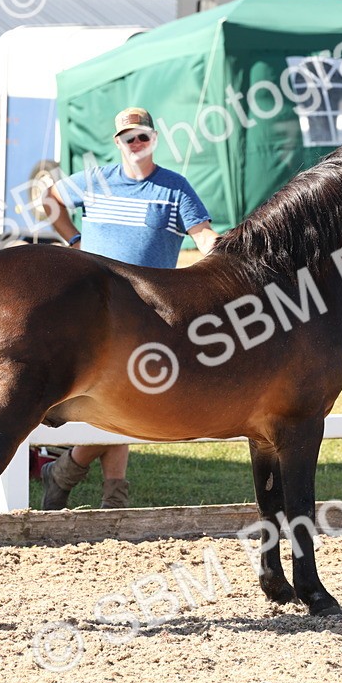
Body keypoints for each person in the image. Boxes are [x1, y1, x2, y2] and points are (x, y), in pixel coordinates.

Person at [39, 106, 220, 511]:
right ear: (117, 143)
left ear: (154, 139)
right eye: (128, 138)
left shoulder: (175, 187)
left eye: (143, 136)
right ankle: (111, 496)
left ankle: (68, 473)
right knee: (119, 394)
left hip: (147, 312)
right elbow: (49, 199)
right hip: (94, 309)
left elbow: (202, 233)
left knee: (127, 395)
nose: (136, 143)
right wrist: (73, 240)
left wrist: (222, 252)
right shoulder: (95, 179)